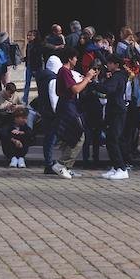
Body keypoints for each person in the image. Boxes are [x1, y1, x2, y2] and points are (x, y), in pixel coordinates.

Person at [87, 54, 130, 180]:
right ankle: (116, 166)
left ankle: (122, 168)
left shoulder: (117, 76)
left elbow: (107, 89)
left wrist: (93, 83)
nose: (108, 65)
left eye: (111, 63)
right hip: (113, 109)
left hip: (117, 110)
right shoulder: (118, 76)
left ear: (116, 65)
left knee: (113, 139)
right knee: (111, 139)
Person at [53, 48, 94, 180]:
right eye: (75, 58)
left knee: (70, 136)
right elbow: (75, 89)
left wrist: (85, 80)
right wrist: (87, 78)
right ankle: (62, 164)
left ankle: (67, 167)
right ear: (70, 58)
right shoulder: (64, 71)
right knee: (78, 135)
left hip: (70, 105)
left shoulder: (67, 72)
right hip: (67, 106)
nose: (77, 60)